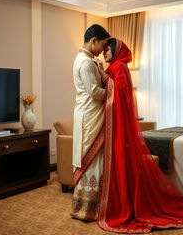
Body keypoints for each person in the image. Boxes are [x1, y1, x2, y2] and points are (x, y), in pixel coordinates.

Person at [73, 37, 183, 233]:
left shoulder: (118, 67)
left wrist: (102, 72)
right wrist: (103, 73)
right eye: (104, 48)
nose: (104, 53)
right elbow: (111, 90)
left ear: (116, 51)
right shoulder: (109, 65)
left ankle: (117, 205)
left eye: (108, 50)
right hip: (97, 118)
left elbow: (117, 93)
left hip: (110, 122)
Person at [71, 24, 110, 221]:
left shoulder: (88, 60)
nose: (104, 51)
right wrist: (115, 92)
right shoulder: (85, 62)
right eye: (103, 45)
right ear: (93, 40)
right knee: (91, 159)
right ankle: (86, 209)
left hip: (90, 114)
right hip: (89, 115)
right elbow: (94, 92)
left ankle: (92, 208)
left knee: (97, 159)